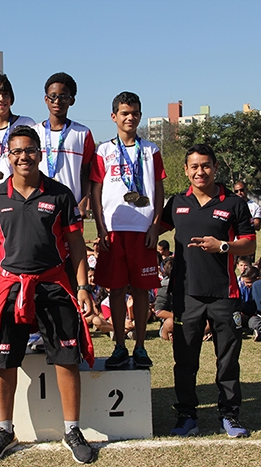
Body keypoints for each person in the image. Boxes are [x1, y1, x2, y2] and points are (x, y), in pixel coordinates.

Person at [0, 125, 96, 463]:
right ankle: (4, 429)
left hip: (53, 284)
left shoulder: (59, 193)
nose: (23, 156)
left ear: (40, 154)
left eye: (29, 150)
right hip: (10, 287)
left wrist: (82, 286)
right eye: (17, 151)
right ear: (8, 156)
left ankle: (72, 429)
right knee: (3, 360)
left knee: (67, 358)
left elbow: (75, 244)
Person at [160, 143, 256, 438]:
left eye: (205, 165)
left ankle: (229, 415)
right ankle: (187, 416)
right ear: (186, 170)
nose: (200, 171)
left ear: (215, 168)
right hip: (186, 294)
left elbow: (250, 244)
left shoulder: (234, 204)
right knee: (185, 360)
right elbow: (153, 231)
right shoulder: (177, 202)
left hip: (224, 294)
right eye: (194, 166)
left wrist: (222, 246)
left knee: (227, 359)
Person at [90, 91, 165, 369]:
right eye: (124, 113)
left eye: (134, 112)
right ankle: (120, 346)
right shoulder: (103, 150)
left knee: (143, 290)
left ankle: (141, 347)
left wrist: (155, 226)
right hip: (114, 231)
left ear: (140, 115)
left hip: (143, 231)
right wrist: (100, 228)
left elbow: (159, 190)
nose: (129, 117)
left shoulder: (151, 150)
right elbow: (96, 190)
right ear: (114, 117)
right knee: (117, 290)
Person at [33, 72, 96, 214]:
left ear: (72, 100)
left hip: (71, 206)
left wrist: (84, 199)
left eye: (63, 97)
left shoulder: (83, 133)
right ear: (46, 99)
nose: (57, 101)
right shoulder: (34, 132)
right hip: (38, 204)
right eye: (53, 96)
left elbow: (86, 172)